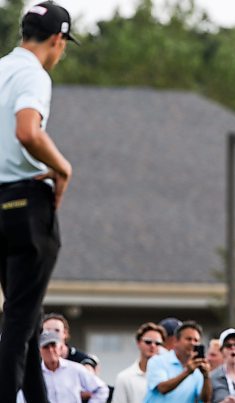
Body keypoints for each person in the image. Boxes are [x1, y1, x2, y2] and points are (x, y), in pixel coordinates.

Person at [0, 2, 77, 402]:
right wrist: (63, 167)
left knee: (27, 321)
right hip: (26, 205)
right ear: (57, 40)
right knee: (18, 320)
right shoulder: (33, 74)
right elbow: (28, 131)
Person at [145, 320, 212, 402]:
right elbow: (162, 388)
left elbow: (205, 400)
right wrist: (187, 372)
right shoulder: (157, 361)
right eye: (188, 339)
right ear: (176, 341)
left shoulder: (199, 368)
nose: (193, 343)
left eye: (196, 340)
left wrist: (206, 377)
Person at [38, 330, 108, 402]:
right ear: (39, 351)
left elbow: (101, 389)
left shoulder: (75, 369)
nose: (50, 350)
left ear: (60, 348)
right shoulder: (35, 375)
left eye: (53, 345)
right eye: (45, 347)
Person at [112, 322, 166, 403]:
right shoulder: (124, 378)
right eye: (148, 342)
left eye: (158, 343)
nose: (153, 346)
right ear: (138, 343)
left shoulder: (170, 376)